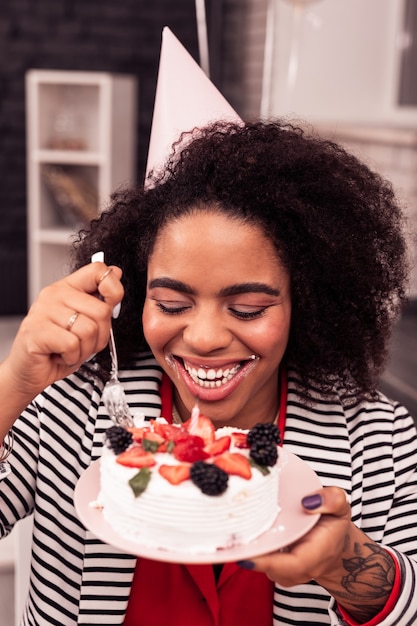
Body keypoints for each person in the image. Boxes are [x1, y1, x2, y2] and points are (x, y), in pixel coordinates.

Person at [1, 119, 416, 626]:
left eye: (246, 308)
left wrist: (346, 564)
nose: (203, 338)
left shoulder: (380, 437)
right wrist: (14, 384)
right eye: (171, 303)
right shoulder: (70, 404)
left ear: (304, 305)